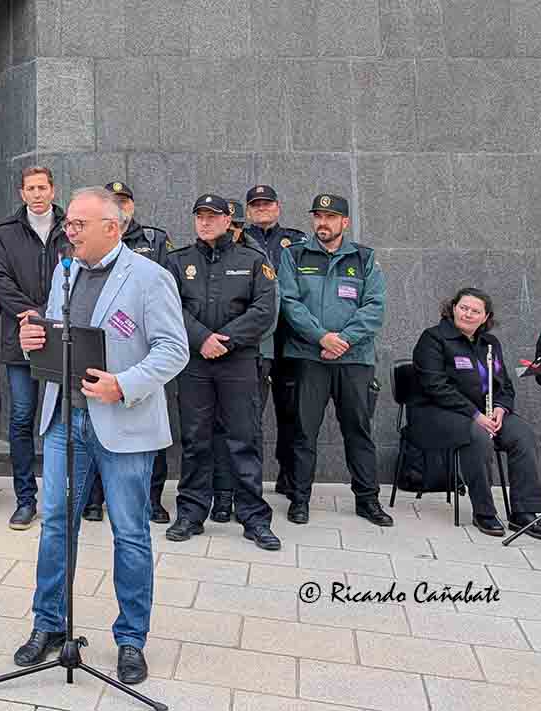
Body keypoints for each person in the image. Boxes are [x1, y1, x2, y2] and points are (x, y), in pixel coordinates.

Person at [13, 187, 188, 686]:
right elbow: (54, 338)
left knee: (129, 533)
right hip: (65, 420)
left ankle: (131, 639)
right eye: (68, 224)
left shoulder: (150, 277)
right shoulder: (64, 272)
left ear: (112, 228)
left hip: (123, 424)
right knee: (55, 525)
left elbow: (174, 349)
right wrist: (31, 340)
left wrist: (124, 384)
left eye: (78, 225)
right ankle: (48, 623)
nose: (68, 231)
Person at [163, 195, 280, 551]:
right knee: (195, 440)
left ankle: (254, 519)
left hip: (238, 361)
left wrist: (224, 341)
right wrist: (202, 339)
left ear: (229, 220)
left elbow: (264, 310)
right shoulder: (178, 261)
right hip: (195, 362)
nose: (205, 221)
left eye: (213, 216)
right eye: (200, 215)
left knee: (244, 440)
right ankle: (191, 513)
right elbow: (169, 307)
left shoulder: (253, 261)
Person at [277, 193, 392, 527]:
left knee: (358, 431)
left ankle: (367, 500)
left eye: (329, 217)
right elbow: (289, 302)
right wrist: (321, 337)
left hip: (354, 359)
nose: (322, 223)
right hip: (308, 357)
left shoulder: (364, 258)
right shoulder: (294, 255)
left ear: (345, 222)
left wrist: (343, 340)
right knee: (303, 432)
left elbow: (374, 307)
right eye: (318, 216)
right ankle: (299, 500)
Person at [410, 288, 541, 540]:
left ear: (485, 317)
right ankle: (484, 511)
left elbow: (504, 385)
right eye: (463, 308)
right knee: (476, 436)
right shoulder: (433, 339)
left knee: (522, 434)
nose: (468, 314)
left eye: (475, 311)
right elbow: (435, 386)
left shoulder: (490, 344)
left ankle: (524, 513)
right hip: (439, 414)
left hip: (486, 413)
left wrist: (501, 408)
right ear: (453, 308)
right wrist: (475, 415)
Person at [85, 181, 176, 524]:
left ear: (132, 207)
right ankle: (94, 499)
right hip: (96, 356)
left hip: (141, 358)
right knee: (95, 430)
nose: (120, 207)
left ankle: (152, 498)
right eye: (113, 202)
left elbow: (170, 293)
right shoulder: (85, 253)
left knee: (145, 436)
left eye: (124, 202)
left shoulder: (153, 240)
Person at [0, 166, 66, 530]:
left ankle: (60, 497)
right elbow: (0, 281)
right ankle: (25, 499)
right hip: (19, 337)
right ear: (22, 193)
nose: (37, 194)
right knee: (21, 418)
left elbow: (79, 274)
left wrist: (49, 315)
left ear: (52, 190)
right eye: (30, 188)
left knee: (61, 419)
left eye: (42, 187)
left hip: (62, 338)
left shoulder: (70, 227)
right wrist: (33, 314)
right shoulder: (5, 232)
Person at [233, 184, 306, 508]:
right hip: (256, 341)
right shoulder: (239, 238)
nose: (261, 209)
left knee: (292, 413)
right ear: (248, 211)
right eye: (256, 205)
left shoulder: (297, 240)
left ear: (278, 207)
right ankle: (247, 486)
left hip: (291, 339)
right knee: (250, 416)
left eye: (267, 204)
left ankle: (289, 477)